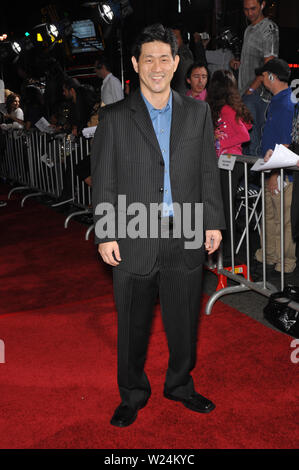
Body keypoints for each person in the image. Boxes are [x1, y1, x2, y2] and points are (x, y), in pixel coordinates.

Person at [91, 23, 225, 428]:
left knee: (184, 318)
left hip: (185, 228)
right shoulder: (114, 117)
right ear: (135, 64)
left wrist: (213, 221)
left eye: (163, 58)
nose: (156, 66)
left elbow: (206, 169)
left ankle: (180, 384)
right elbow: (105, 178)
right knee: (132, 322)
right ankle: (132, 393)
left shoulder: (198, 112)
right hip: (132, 231)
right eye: (147, 58)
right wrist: (105, 231)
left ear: (176, 63)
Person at [254, 59, 296, 274]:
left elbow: (286, 141)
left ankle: (286, 260)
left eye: (263, 75)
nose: (260, 79)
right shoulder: (281, 100)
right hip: (273, 168)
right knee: (271, 215)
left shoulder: (286, 103)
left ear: (271, 76)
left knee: (283, 219)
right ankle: (270, 254)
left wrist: (275, 174)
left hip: (281, 171)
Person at [207, 69, 253, 263]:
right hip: (226, 164)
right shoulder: (223, 108)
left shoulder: (226, 109)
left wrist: (220, 143)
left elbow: (245, 135)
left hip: (231, 164)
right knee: (224, 208)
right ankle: (224, 254)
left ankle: (228, 255)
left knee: (225, 209)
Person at [230, 0, 279, 156]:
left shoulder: (269, 28)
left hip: (259, 93)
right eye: (246, 9)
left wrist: (252, 88)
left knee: (255, 144)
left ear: (262, 5)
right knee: (246, 141)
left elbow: (269, 64)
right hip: (245, 92)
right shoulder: (249, 29)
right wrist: (239, 63)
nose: (249, 13)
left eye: (253, 9)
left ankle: (254, 180)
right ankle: (247, 179)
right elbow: (253, 60)